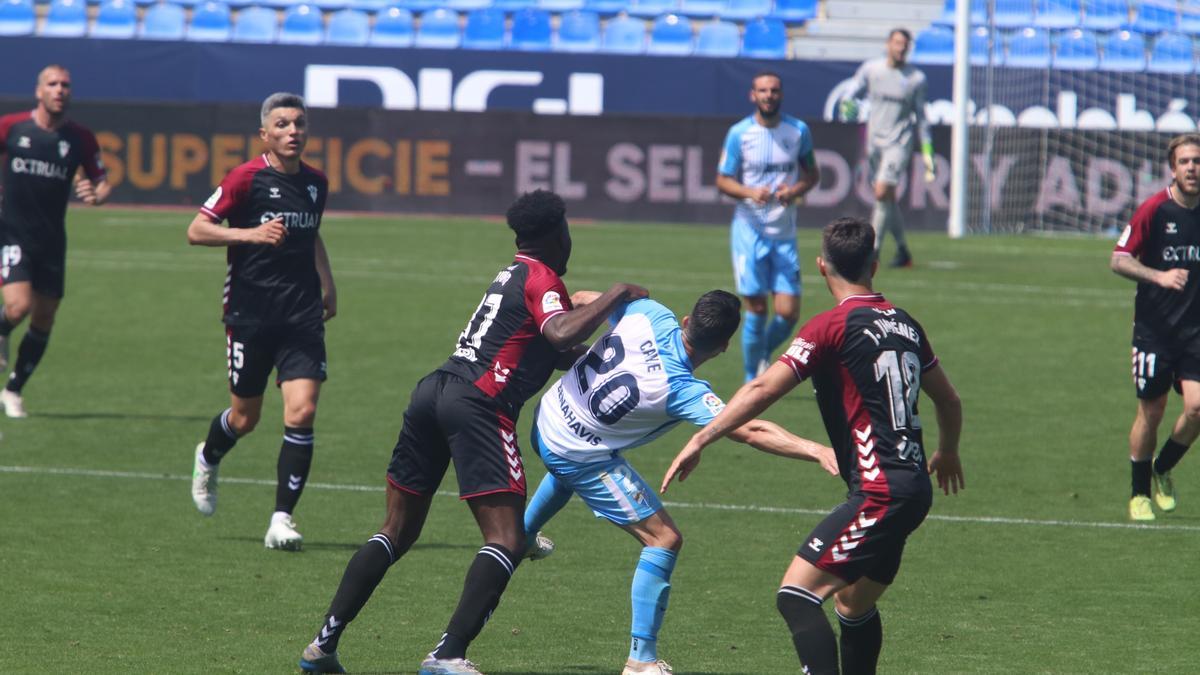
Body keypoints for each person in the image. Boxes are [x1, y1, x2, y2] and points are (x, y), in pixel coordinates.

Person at [297, 189, 648, 675]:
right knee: (507, 540)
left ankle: (322, 645)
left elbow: (542, 349)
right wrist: (617, 293)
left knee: (395, 532)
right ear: (554, 235)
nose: (570, 241)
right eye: (566, 231)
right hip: (478, 405)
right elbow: (559, 333)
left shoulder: (509, 273)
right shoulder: (542, 276)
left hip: (432, 391)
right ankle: (447, 655)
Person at [662, 216, 963, 675]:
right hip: (912, 488)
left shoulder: (829, 327)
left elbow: (763, 389)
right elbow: (949, 398)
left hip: (879, 493)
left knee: (796, 596)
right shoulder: (906, 325)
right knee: (851, 603)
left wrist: (703, 436)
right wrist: (949, 450)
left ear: (821, 267)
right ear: (875, 266)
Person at [521, 289, 838, 675]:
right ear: (722, 347)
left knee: (584, 461)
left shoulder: (649, 312)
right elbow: (751, 429)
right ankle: (641, 660)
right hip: (572, 449)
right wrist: (816, 449)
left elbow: (589, 298)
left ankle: (521, 535)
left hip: (546, 416)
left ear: (687, 319)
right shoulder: (683, 390)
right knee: (664, 539)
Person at [186, 92, 337, 551]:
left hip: (302, 315)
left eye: (300, 123)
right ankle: (208, 456)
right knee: (245, 418)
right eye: (284, 124)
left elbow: (311, 233)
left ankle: (281, 519)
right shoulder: (244, 179)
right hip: (250, 316)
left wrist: (329, 283)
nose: (293, 131)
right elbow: (196, 229)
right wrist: (250, 233)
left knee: (303, 410)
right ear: (264, 134)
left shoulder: (316, 183)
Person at [0, 64, 110, 418]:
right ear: (39, 91)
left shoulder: (79, 138)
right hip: (12, 231)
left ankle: (13, 390)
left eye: (65, 85)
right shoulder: (13, 127)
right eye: (53, 84)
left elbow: (103, 182)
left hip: (51, 240)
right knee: (18, 307)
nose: (60, 90)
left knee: (44, 318)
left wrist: (95, 195)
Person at [1111, 133, 1200, 521]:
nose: (1192, 168)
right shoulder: (1154, 210)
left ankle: (1162, 467)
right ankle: (1138, 493)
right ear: (1173, 168)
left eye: (1197, 161)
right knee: (1152, 410)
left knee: (1197, 409)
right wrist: (1158, 277)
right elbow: (1118, 259)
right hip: (1154, 331)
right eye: (1185, 162)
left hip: (1195, 332)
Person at [717, 71, 820, 384]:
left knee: (788, 312)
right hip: (749, 231)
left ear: (781, 95)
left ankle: (761, 353)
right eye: (762, 90)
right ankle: (752, 377)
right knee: (758, 308)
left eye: (774, 90)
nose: (768, 95)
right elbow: (723, 179)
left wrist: (794, 191)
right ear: (753, 95)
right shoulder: (739, 134)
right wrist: (750, 192)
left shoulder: (798, 130)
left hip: (785, 233)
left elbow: (812, 175)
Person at [841, 28, 934, 269]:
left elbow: (922, 118)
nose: (901, 48)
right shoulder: (872, 69)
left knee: (882, 192)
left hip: (899, 143)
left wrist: (927, 150)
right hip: (875, 143)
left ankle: (873, 252)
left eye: (905, 44)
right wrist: (848, 103)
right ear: (888, 45)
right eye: (897, 43)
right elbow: (852, 90)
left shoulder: (915, 78)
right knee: (887, 200)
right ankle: (903, 251)